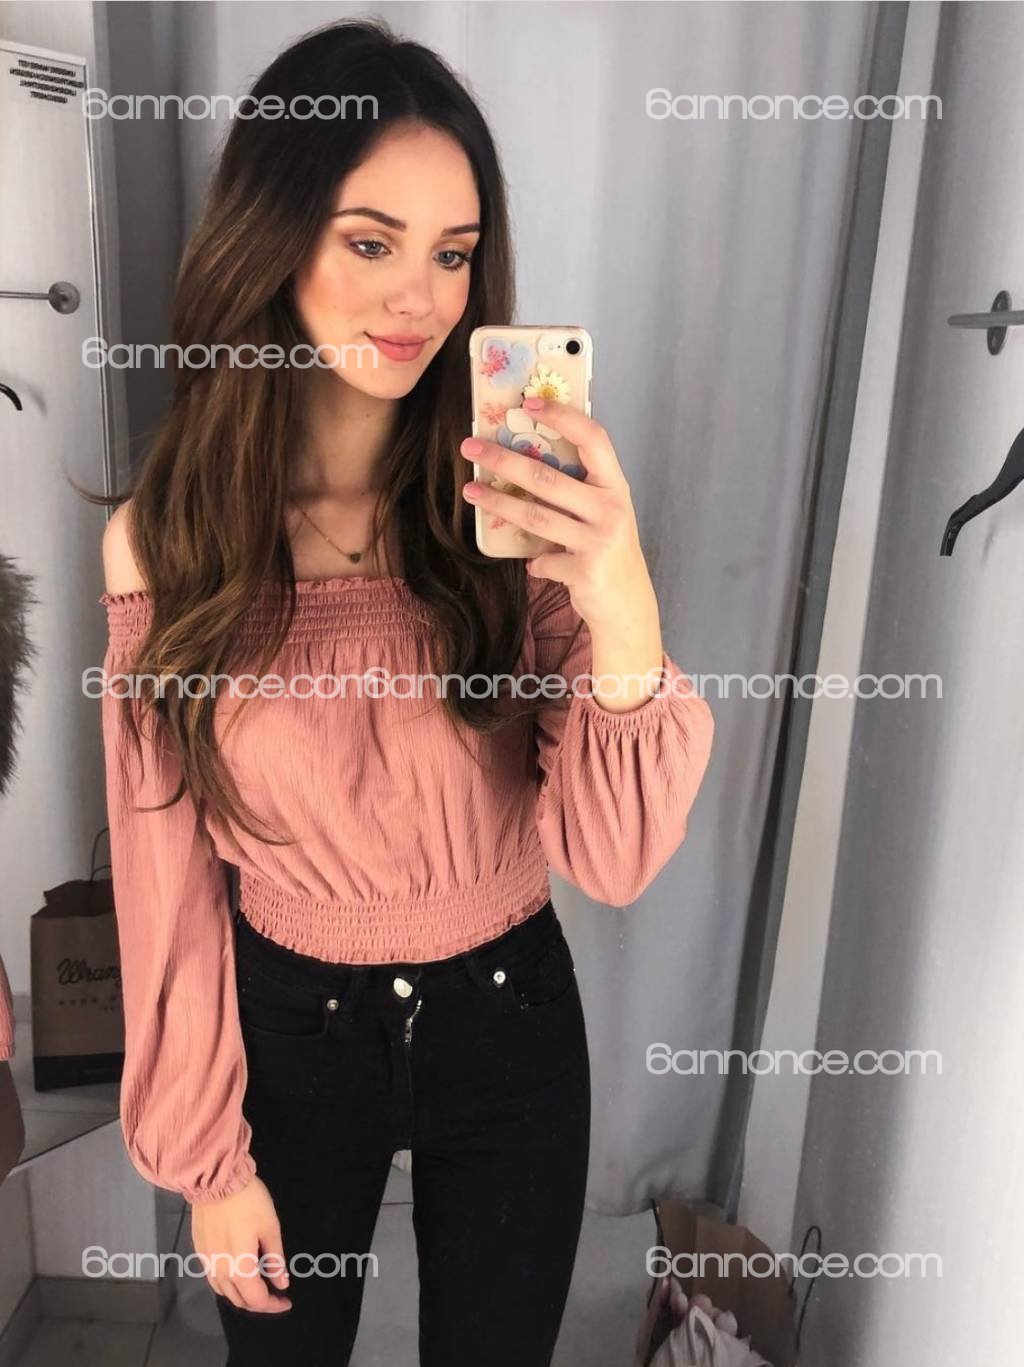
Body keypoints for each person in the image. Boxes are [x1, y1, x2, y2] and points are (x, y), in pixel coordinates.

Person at [95, 18, 715, 1366]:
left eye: (452, 252)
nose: (420, 298)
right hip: (287, 1031)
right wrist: (207, 1163)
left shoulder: (516, 512)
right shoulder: (171, 542)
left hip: (509, 1016)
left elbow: (611, 858)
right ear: (272, 238)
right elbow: (163, 872)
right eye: (371, 242)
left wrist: (620, 596)